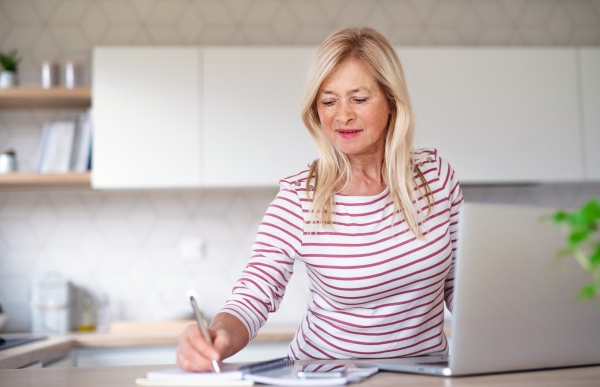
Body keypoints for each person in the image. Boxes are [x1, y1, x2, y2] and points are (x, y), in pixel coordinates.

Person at [176, 27, 463, 371]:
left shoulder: (436, 178)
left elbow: (462, 288)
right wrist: (216, 336)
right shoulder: (299, 198)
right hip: (327, 376)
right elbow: (253, 295)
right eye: (329, 101)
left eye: (358, 98)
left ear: (391, 101)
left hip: (425, 376)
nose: (342, 115)